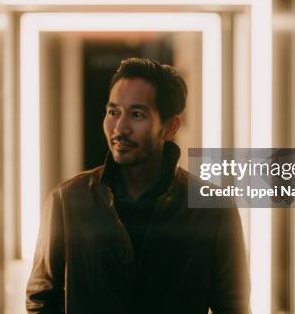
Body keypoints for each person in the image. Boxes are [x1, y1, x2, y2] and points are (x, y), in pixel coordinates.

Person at [26, 58, 250, 314]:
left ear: (170, 127)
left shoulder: (214, 209)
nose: (120, 128)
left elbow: (233, 307)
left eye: (136, 114)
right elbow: (41, 299)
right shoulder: (68, 200)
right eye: (113, 112)